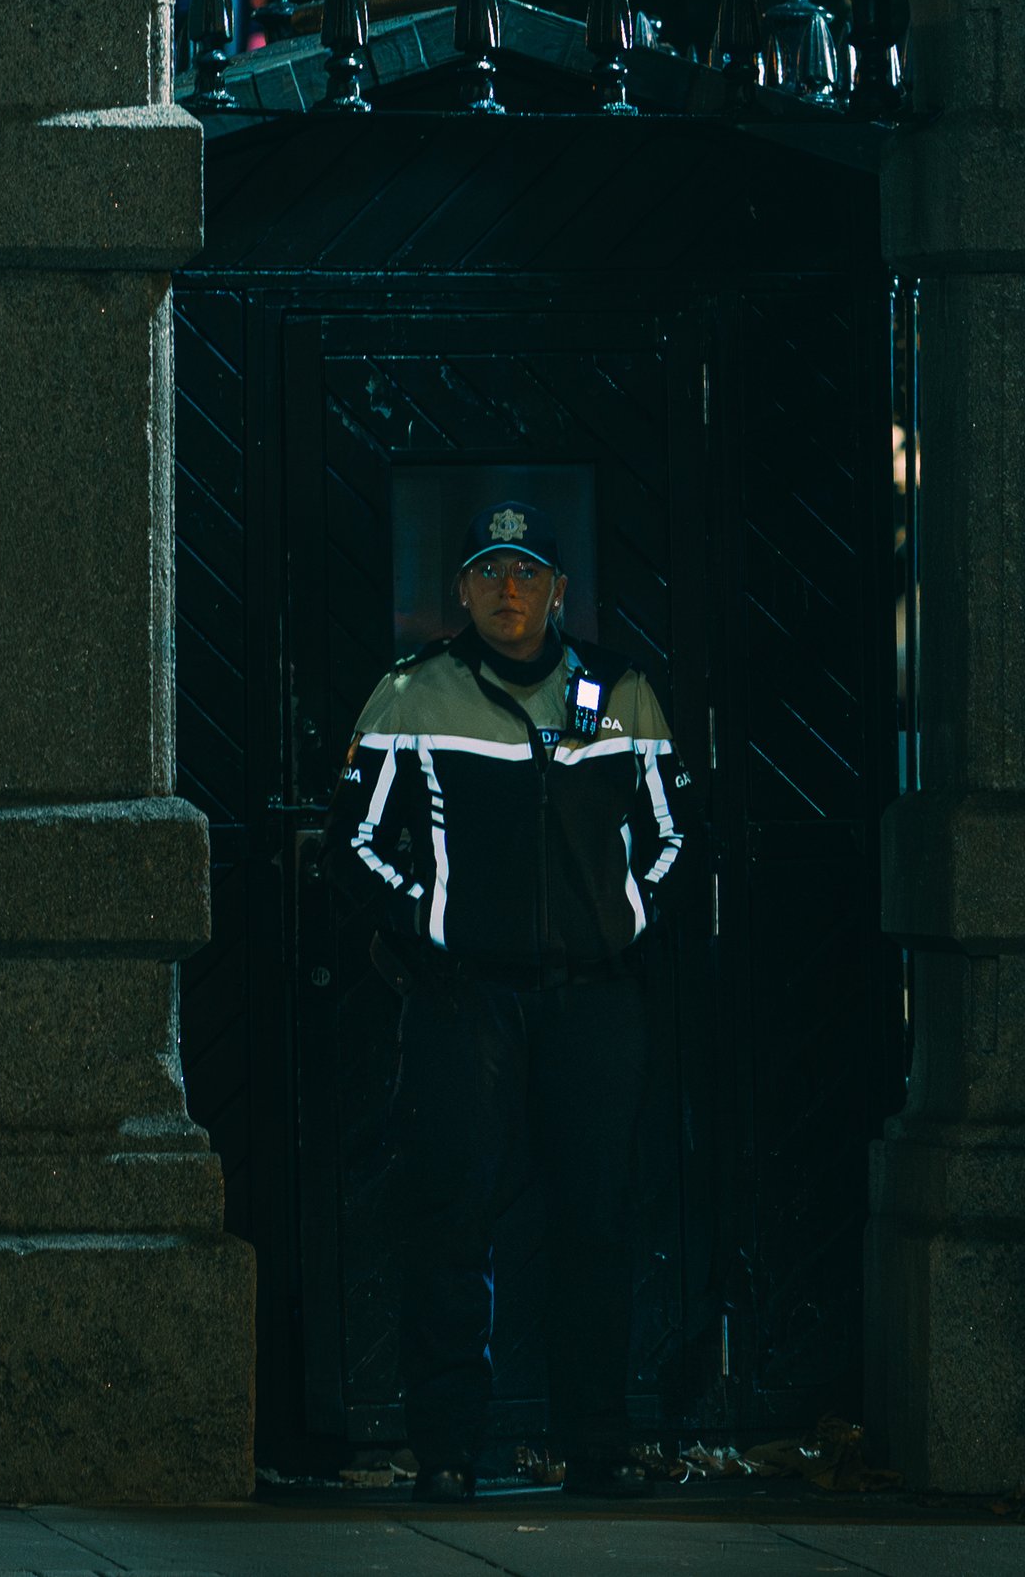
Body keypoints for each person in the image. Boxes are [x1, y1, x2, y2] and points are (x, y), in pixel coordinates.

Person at [326, 503, 688, 1501]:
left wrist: (624, 917)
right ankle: (447, 1452)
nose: (509, 588)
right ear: (462, 588)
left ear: (559, 587)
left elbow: (669, 834)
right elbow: (351, 839)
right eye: (488, 569)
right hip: (463, 997)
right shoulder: (412, 695)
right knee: (449, 1224)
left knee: (597, 1222)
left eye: (527, 569)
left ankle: (597, 1447)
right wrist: (427, 927)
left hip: (593, 999)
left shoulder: (619, 693)